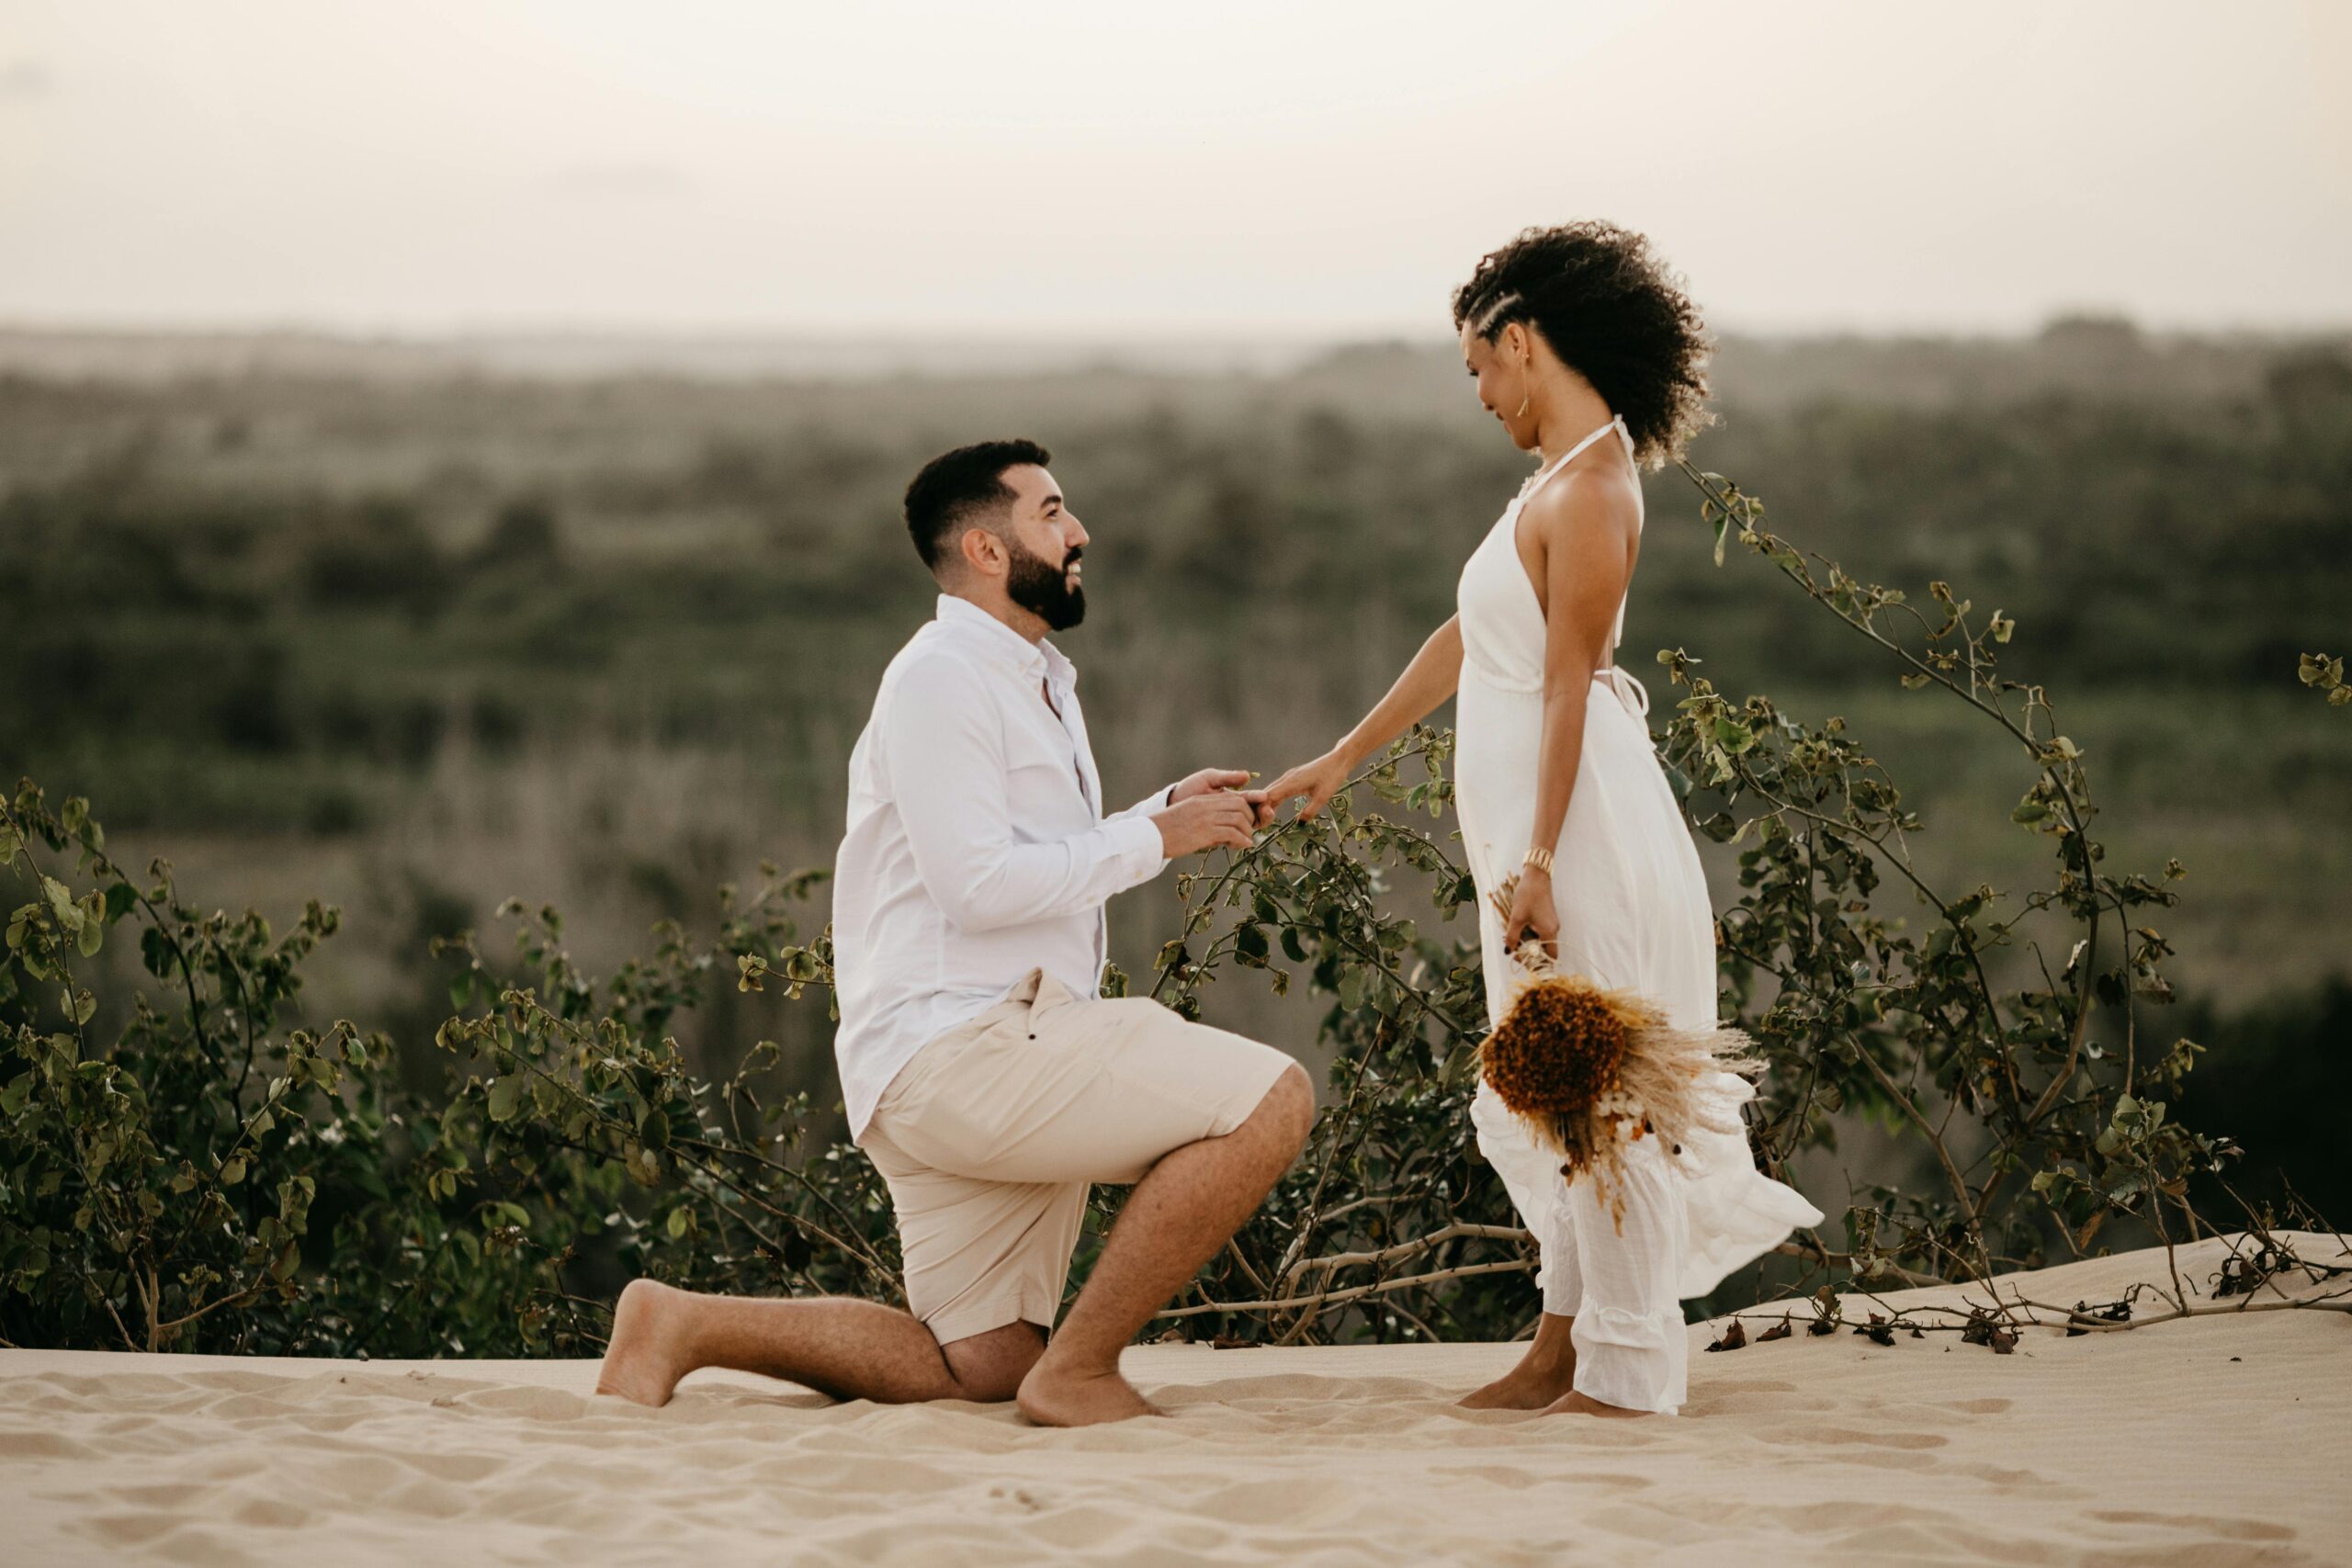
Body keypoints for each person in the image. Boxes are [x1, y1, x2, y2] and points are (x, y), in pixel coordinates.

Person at [595, 439, 1314, 1427]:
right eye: (1052, 512)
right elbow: (976, 887)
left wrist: (1163, 806)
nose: (1079, 533)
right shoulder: (940, 679)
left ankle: (681, 1325)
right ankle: (1084, 1370)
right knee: (1271, 1103)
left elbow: (1026, 851)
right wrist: (1155, 837)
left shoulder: (1026, 676)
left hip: (952, 1061)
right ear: (984, 547)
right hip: (969, 1046)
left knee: (975, 1366)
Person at [1259, 223, 1821, 1417]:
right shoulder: (1554, 482)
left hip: (1578, 839)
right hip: (1534, 837)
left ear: (1522, 342)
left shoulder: (1600, 488)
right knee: (1555, 1084)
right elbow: (1476, 640)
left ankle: (1624, 1371)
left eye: (1478, 366)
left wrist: (1542, 861)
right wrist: (1346, 755)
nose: (1478, 395)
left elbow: (1569, 683)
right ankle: (1559, 1345)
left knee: (1600, 1092)